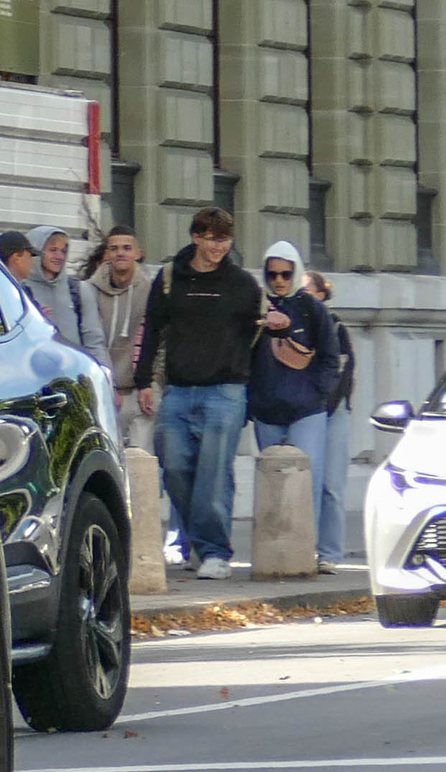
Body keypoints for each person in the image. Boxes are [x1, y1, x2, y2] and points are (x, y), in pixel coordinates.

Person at [132, 207, 263, 580]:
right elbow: (153, 328)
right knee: (173, 468)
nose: (218, 246)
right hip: (177, 389)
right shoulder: (171, 277)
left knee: (213, 475)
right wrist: (145, 381)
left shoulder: (242, 284)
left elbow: (257, 337)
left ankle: (215, 552)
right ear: (196, 237)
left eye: (224, 239)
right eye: (211, 238)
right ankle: (197, 540)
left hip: (225, 391)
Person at [247, 241, 341, 572]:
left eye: (286, 273)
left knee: (308, 482)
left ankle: (308, 550)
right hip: (266, 409)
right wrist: (250, 403)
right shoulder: (255, 308)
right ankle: (275, 553)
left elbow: (331, 358)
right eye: (272, 274)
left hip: (307, 410)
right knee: (272, 482)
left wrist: (317, 394)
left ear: (296, 272)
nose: (279, 281)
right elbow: (243, 356)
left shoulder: (312, 309)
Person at [81, 225, 155, 452]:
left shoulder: (151, 290)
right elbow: (89, 341)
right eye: (114, 248)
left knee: (141, 462)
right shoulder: (87, 291)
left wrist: (152, 384)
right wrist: (105, 384)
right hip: (104, 391)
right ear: (107, 255)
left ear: (138, 253)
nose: (120, 253)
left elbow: (158, 340)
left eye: (126, 248)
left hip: (139, 391)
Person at [306, 269, 355, 573]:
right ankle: (304, 547)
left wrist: (326, 404)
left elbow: (345, 371)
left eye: (309, 290)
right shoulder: (290, 326)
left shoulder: (336, 327)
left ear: (322, 295)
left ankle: (329, 554)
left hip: (333, 411)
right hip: (303, 410)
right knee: (306, 482)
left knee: (331, 486)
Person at [22, 224, 96, 351]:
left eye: (63, 251)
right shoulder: (19, 290)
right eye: (53, 250)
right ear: (36, 251)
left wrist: (101, 369)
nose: (59, 256)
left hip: (75, 368)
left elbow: (94, 340)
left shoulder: (79, 290)